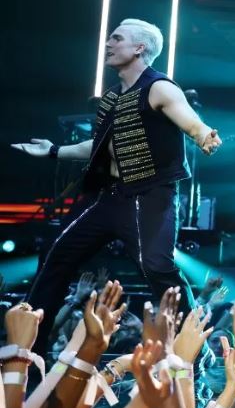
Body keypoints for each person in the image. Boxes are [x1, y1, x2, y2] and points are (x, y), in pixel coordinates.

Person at [11, 18, 221, 355]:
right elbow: (99, 147)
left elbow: (190, 121)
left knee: (156, 266)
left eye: (116, 38)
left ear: (139, 48)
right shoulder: (111, 98)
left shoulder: (159, 88)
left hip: (149, 196)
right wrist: (53, 150)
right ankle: (26, 349)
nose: (108, 44)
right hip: (109, 197)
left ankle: (196, 351)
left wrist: (203, 135)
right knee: (56, 255)